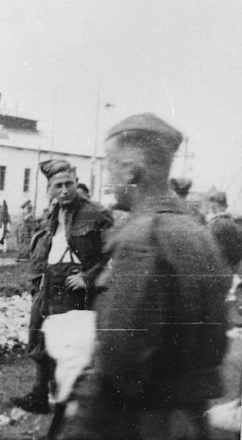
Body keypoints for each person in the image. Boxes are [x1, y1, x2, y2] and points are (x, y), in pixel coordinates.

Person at [60, 113, 231, 440]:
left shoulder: (143, 237)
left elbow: (120, 357)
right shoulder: (199, 234)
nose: (109, 179)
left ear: (130, 170)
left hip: (143, 422)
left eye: (111, 167)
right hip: (191, 418)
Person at [12, 159, 113, 415]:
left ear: (77, 183)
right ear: (50, 188)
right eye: (58, 185)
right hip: (49, 284)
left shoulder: (96, 213)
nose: (65, 190)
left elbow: (114, 251)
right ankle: (39, 395)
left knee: (68, 345)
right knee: (40, 339)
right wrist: (37, 283)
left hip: (74, 290)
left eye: (69, 184)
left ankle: (68, 403)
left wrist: (88, 278)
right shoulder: (52, 213)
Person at [207, 190, 242, 270]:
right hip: (234, 267)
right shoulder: (234, 223)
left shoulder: (214, 224)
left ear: (214, 206)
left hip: (219, 269)